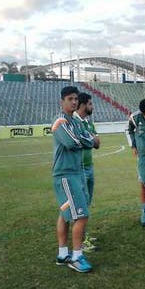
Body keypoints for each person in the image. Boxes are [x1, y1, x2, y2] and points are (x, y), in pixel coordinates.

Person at [52, 86, 98, 273]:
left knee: (65, 215)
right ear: (62, 101)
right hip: (66, 174)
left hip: (76, 172)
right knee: (82, 215)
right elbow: (73, 143)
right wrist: (84, 140)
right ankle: (77, 257)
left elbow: (93, 142)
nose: (74, 102)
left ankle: (63, 254)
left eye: (75, 99)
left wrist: (83, 139)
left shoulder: (76, 123)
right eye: (70, 98)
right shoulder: (60, 121)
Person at [74, 92, 100, 252]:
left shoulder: (88, 122)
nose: (92, 106)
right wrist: (90, 139)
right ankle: (81, 242)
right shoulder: (75, 122)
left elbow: (97, 143)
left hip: (89, 166)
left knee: (87, 203)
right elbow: (83, 142)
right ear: (83, 105)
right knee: (81, 205)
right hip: (79, 167)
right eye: (90, 104)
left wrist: (90, 139)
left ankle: (84, 235)